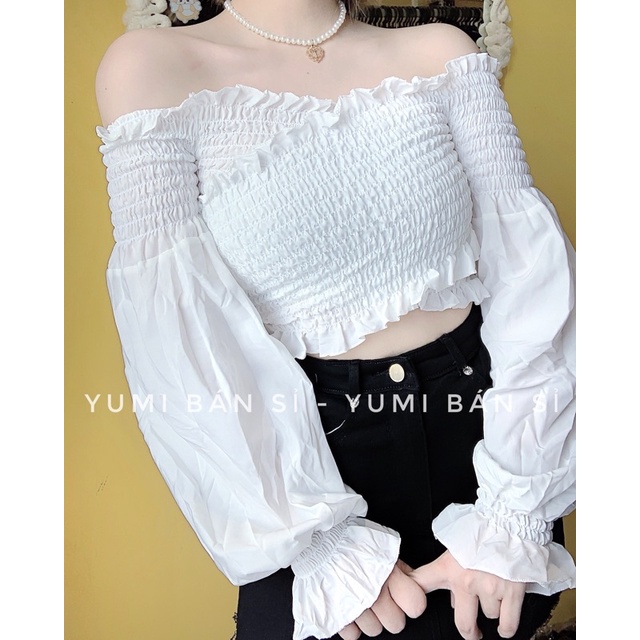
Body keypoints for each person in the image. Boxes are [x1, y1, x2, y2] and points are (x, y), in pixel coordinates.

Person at [94, 1, 576, 639]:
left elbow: (533, 280)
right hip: (300, 470)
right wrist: (317, 542)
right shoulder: (151, 69)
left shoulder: (443, 53)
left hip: (491, 450)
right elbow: (173, 336)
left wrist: (513, 515)